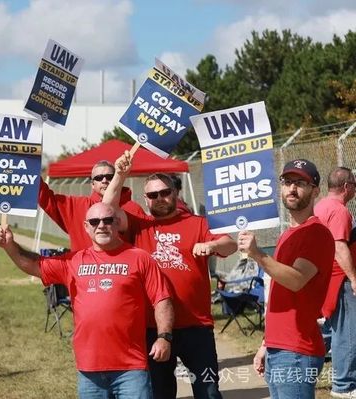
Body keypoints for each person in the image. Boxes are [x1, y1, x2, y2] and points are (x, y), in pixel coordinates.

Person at [0, 202, 174, 398]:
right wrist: (9, 246)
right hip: (89, 370)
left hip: (131, 368)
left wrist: (164, 337)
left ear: (117, 223)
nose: (101, 225)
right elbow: (35, 265)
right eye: (95, 221)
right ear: (86, 227)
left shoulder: (140, 258)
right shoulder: (74, 261)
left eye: (107, 220)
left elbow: (162, 299)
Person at [103, 151, 237, 399]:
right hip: (153, 328)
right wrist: (120, 175)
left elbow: (230, 244)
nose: (160, 199)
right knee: (160, 393)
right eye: (153, 195)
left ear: (175, 193)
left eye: (165, 193)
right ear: (146, 199)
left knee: (208, 391)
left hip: (196, 326)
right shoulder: (139, 225)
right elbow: (106, 210)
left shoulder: (198, 224)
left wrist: (212, 246)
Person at [239, 159, 334, 399]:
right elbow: (277, 295)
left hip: (297, 352)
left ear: (315, 191)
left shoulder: (317, 233)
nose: (292, 188)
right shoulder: (286, 236)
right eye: (287, 182)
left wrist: (258, 255)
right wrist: (265, 344)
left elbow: (297, 280)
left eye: (300, 183)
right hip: (278, 348)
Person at [38, 160, 145, 252]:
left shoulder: (133, 209)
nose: (104, 181)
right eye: (99, 178)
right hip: (83, 273)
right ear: (92, 185)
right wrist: (29, 167)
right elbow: (45, 197)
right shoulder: (75, 206)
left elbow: (144, 245)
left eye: (109, 177)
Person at [314, 166, 356, 398]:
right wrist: (354, 278)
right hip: (340, 278)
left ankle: (304, 374)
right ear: (347, 186)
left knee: (329, 332)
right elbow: (339, 247)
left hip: (325, 277)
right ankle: (344, 385)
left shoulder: (321, 205)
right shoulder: (339, 211)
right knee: (347, 332)